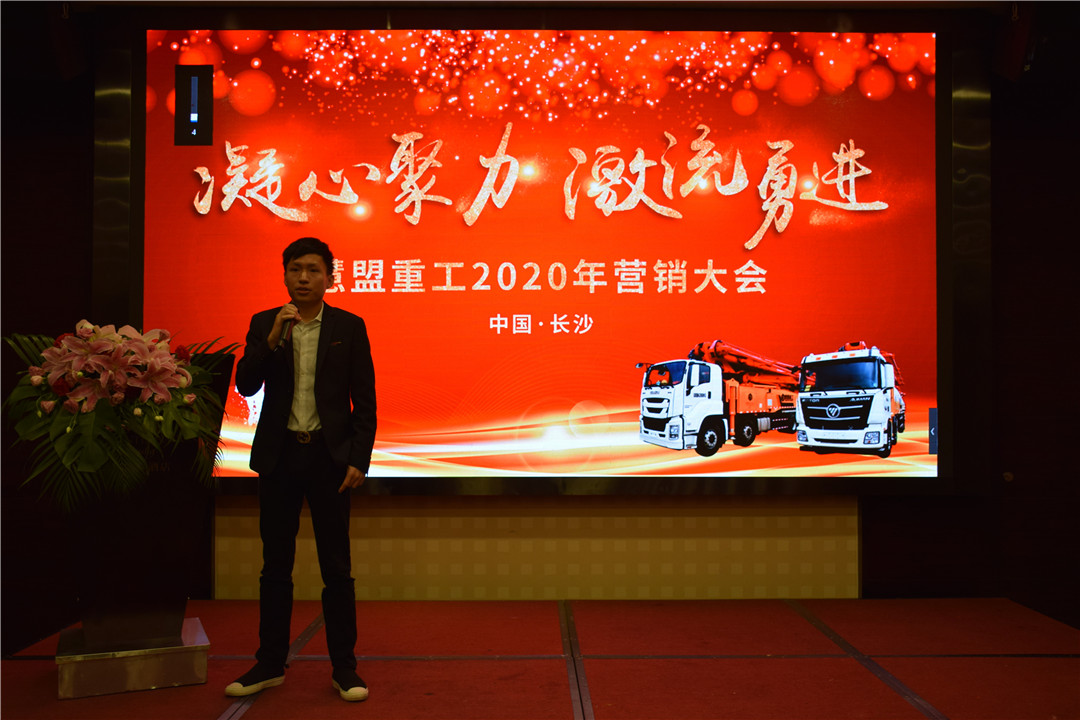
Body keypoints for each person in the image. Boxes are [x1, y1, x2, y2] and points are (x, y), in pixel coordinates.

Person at [226, 237, 377, 703]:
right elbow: (246, 384)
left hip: (329, 461)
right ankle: (270, 663)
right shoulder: (266, 323)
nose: (304, 278)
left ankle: (344, 668)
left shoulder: (349, 326)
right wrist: (272, 338)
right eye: (296, 269)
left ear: (330, 277)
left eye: (313, 270)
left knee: (337, 568)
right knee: (276, 564)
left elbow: (364, 400)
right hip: (280, 457)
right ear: (285, 275)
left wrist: (358, 458)